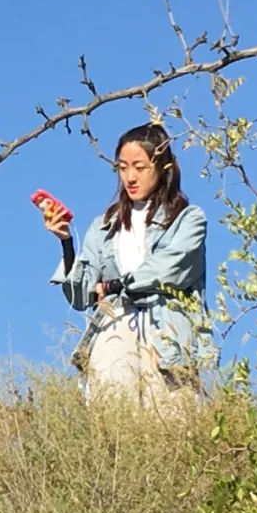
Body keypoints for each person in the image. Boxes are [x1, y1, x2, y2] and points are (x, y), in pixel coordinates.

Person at [41, 122, 215, 407]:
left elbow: (171, 268)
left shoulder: (187, 218)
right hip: (114, 328)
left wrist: (115, 285)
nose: (130, 177)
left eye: (140, 167)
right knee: (114, 426)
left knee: (174, 426)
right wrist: (66, 241)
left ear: (162, 167)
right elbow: (80, 295)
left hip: (167, 334)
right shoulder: (104, 225)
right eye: (123, 168)